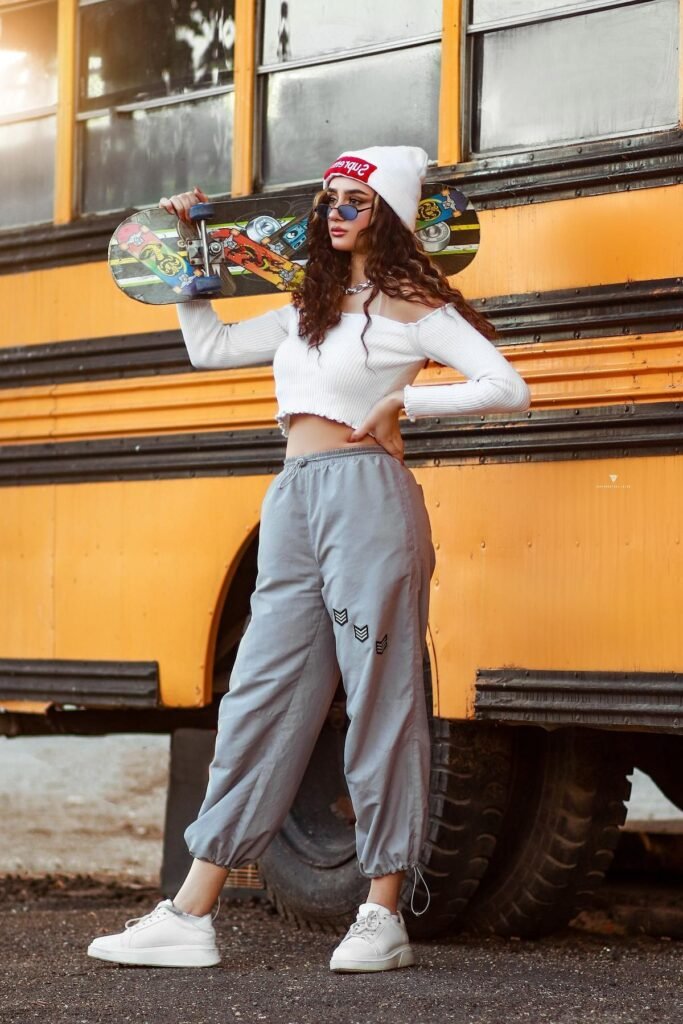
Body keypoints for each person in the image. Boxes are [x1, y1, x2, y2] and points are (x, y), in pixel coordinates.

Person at [87, 145, 531, 973]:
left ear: (387, 215)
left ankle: (381, 909)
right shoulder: (308, 305)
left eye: (352, 201)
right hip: (291, 497)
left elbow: (508, 387)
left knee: (379, 696)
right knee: (261, 693)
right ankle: (191, 912)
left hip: (369, 498)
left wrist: (407, 398)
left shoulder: (414, 305)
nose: (332, 212)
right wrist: (191, 256)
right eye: (326, 199)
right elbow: (210, 349)